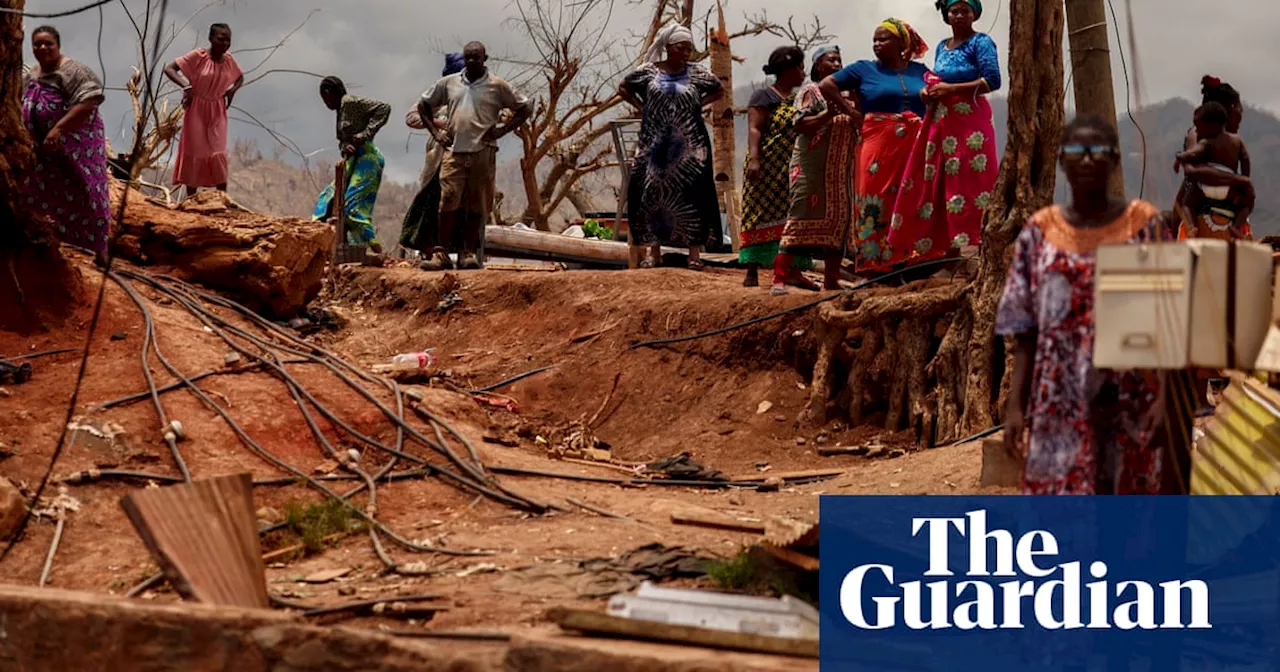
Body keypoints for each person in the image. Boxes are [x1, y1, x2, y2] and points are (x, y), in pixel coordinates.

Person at [997, 115, 1166, 495]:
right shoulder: (1039, 232)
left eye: (1097, 152)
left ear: (1115, 160)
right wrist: (1015, 407)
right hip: (1059, 399)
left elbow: (1169, 316)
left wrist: (1167, 397)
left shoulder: (1144, 225)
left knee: (1128, 515)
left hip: (1132, 398)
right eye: (1076, 151)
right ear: (1061, 161)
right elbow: (1024, 331)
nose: (1087, 160)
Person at [888, 0, 1000, 266]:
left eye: (965, 10)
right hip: (941, 122)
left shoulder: (981, 43)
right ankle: (951, 256)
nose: (959, 15)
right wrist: (929, 92)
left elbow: (992, 80)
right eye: (954, 11)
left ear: (975, 14)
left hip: (971, 123)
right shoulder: (941, 46)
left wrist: (951, 90)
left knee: (973, 182)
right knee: (942, 184)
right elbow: (938, 78)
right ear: (946, 15)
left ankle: (983, 254)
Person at [820, 18, 929, 275]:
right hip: (878, 143)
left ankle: (913, 261)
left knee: (913, 196)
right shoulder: (863, 69)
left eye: (884, 39)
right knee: (875, 198)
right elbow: (827, 85)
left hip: (916, 144)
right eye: (875, 40)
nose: (877, 44)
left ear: (900, 43)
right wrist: (851, 113)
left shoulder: (920, 71)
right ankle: (874, 264)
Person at [417, 42, 531, 271]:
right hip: (454, 152)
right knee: (448, 200)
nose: (471, 62)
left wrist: (502, 129)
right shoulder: (449, 83)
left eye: (475, 58)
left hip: (483, 151)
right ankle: (441, 253)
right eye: (467, 58)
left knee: (477, 203)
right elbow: (423, 105)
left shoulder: (497, 86)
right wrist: (436, 133)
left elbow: (525, 107)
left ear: (484, 58)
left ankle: (467, 251)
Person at [618, 23, 724, 270]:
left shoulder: (697, 73)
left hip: (691, 148)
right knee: (654, 193)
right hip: (656, 145)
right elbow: (623, 87)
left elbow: (719, 90)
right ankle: (654, 254)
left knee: (693, 195)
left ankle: (694, 254)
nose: (686, 52)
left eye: (689, 48)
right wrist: (642, 107)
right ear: (668, 47)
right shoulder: (648, 72)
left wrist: (698, 103)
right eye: (681, 47)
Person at [22, 25, 111, 266]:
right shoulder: (32, 73)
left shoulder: (74, 71)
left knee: (89, 190)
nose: (42, 48)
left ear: (58, 45)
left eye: (47, 43)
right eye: (37, 44)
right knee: (39, 188)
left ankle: (101, 249)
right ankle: (46, 239)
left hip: (79, 144)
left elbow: (90, 99)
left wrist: (58, 129)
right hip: (44, 148)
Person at [773, 46, 855, 295]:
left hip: (839, 172)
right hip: (811, 168)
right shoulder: (811, 91)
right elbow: (800, 124)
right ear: (818, 65)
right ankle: (779, 278)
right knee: (800, 215)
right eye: (831, 60)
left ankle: (831, 279)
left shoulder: (848, 94)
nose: (837, 63)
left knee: (838, 222)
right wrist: (829, 114)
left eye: (840, 59)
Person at [738, 47, 812, 288]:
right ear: (788, 70)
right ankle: (752, 268)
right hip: (766, 165)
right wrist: (755, 160)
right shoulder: (764, 97)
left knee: (791, 215)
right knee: (758, 213)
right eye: (800, 67)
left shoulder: (800, 98)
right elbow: (755, 128)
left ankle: (794, 270)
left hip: (790, 167)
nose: (803, 72)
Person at [312, 76, 391, 257]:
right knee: (328, 199)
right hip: (352, 161)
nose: (325, 102)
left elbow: (383, 108)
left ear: (335, 93)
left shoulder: (350, 102)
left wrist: (364, 134)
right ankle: (335, 247)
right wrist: (345, 146)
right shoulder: (340, 112)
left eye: (327, 97)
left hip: (368, 159)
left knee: (352, 206)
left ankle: (377, 250)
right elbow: (343, 141)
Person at [163, 23, 243, 200]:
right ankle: (192, 200)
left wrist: (231, 91)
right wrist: (187, 86)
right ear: (211, 38)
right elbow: (169, 69)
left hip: (217, 110)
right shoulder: (198, 56)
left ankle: (222, 199)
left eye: (228, 40)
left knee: (218, 152)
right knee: (196, 152)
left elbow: (240, 77)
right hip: (197, 109)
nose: (224, 43)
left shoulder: (229, 60)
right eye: (220, 39)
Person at [400, 53, 465, 260]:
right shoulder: (439, 94)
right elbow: (412, 117)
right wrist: (438, 124)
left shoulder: (474, 95)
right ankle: (429, 251)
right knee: (432, 204)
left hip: (466, 159)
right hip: (438, 158)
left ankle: (459, 252)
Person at [1175, 75, 1255, 241]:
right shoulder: (1198, 133)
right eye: (1240, 108)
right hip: (1199, 214)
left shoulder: (1231, 140)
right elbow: (1192, 170)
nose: (1241, 114)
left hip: (1224, 211)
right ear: (1232, 108)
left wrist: (1241, 184)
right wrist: (1238, 180)